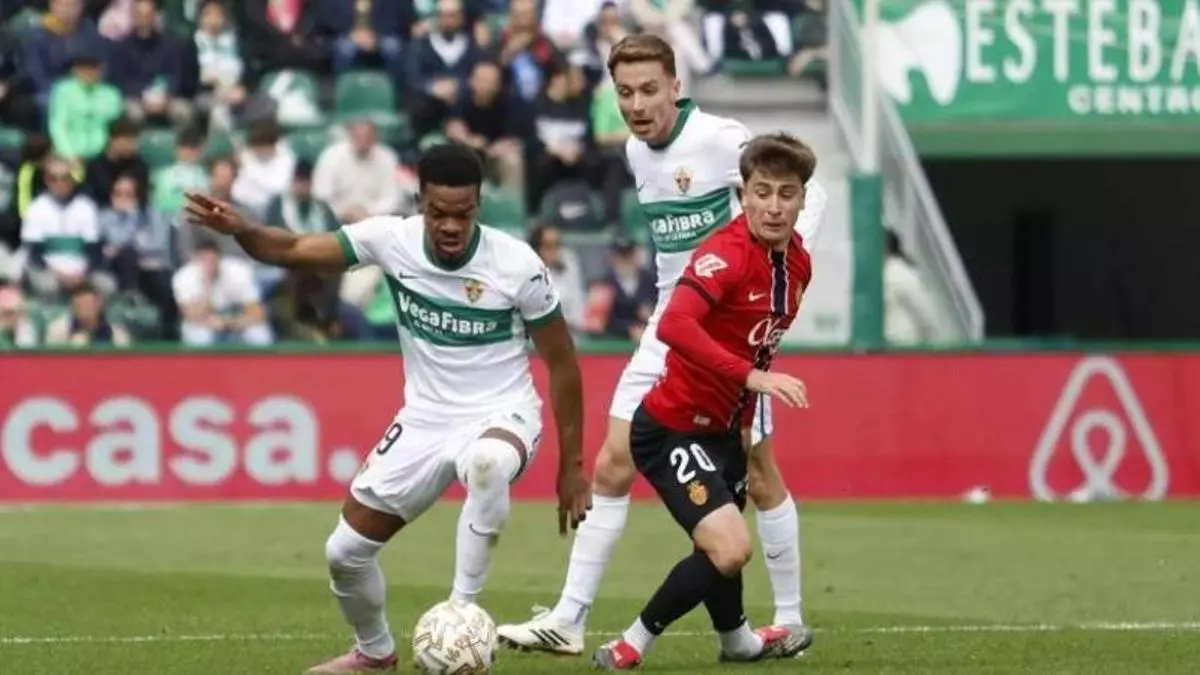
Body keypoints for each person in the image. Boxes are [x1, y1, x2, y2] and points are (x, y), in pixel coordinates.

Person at [181, 142, 591, 674]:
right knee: (344, 554)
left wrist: (572, 465)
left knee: (488, 462)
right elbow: (294, 249)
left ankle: (460, 615)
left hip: (502, 411)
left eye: (463, 214)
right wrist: (244, 229)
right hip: (424, 420)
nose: (450, 226)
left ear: (479, 206)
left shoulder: (517, 266)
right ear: (419, 202)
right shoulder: (390, 240)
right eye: (438, 213)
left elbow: (563, 364)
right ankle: (374, 652)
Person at [498, 33, 827, 656]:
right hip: (669, 324)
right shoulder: (635, 151)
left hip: (724, 326)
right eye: (625, 92)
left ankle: (788, 617)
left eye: (650, 89)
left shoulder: (721, 140)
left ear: (676, 86)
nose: (637, 104)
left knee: (760, 473)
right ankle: (568, 619)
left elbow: (799, 187)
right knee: (611, 464)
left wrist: (779, 265)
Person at [592, 134, 814, 669]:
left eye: (786, 194)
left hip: (725, 431)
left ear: (802, 200)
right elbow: (674, 324)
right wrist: (752, 379)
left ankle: (737, 642)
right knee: (732, 547)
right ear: (744, 195)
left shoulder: (799, 264)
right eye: (762, 192)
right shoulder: (725, 254)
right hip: (671, 427)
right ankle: (630, 643)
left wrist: (744, 418)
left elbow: (758, 344)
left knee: (718, 548)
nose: (774, 206)